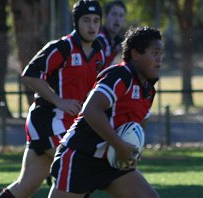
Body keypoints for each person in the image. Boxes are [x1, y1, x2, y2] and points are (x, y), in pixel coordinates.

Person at [0, 1, 105, 198]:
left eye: (96, 20)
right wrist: (59, 101)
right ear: (76, 22)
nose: (91, 25)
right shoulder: (62, 47)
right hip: (47, 121)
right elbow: (29, 75)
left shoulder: (99, 51)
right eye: (86, 20)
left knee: (26, 186)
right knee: (78, 170)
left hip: (70, 125)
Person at [48, 26, 164, 198]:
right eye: (155, 53)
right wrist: (119, 145)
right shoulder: (119, 75)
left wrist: (132, 150)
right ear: (135, 54)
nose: (160, 59)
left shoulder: (148, 89)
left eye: (161, 53)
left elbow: (138, 126)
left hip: (110, 161)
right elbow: (90, 110)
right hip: (80, 156)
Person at [98, 0, 126, 67]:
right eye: (114, 14)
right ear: (106, 17)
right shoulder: (98, 40)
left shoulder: (121, 43)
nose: (117, 19)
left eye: (121, 15)